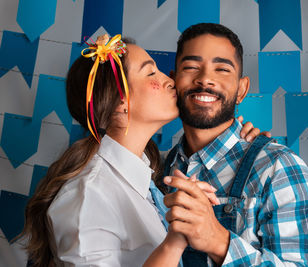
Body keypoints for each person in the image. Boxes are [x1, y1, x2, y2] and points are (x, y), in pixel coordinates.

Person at [20, 34, 262, 267]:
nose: (171, 81)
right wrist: (176, 240)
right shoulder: (88, 197)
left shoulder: (155, 175)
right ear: (121, 102)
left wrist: (247, 146)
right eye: (151, 72)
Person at [162, 23, 308, 266]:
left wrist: (217, 240)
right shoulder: (158, 170)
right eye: (191, 66)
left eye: (222, 69)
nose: (205, 79)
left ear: (241, 89)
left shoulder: (278, 167)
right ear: (174, 82)